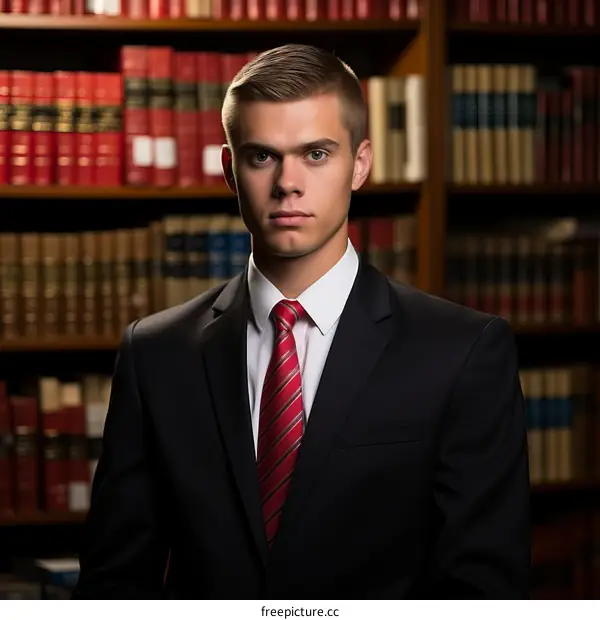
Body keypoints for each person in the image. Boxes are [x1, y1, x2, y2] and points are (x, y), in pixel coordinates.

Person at [72, 43, 531, 599]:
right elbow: (114, 587)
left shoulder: (462, 352)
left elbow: (483, 594)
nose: (288, 182)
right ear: (229, 169)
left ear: (360, 164)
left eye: (316, 154)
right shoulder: (156, 352)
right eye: (263, 156)